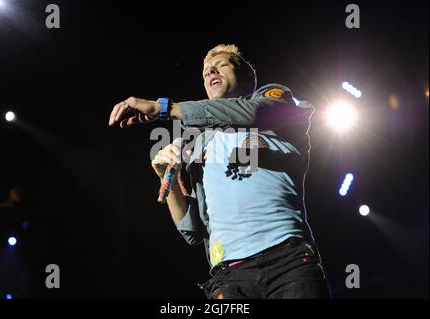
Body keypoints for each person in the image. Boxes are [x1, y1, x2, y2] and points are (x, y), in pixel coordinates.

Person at [109, 44, 331, 299]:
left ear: (248, 76)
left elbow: (251, 113)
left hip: (288, 262)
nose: (210, 71)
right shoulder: (196, 143)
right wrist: (164, 178)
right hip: (229, 277)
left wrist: (164, 108)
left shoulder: (275, 99)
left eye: (221, 64)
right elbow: (191, 230)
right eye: (204, 72)